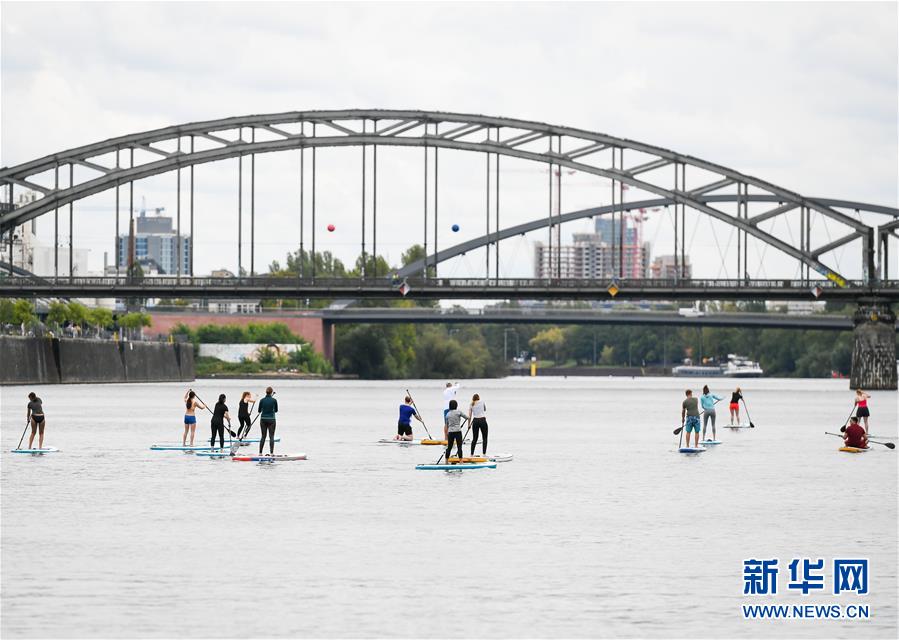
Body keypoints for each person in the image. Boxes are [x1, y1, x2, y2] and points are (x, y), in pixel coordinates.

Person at [257, 386, 278, 455]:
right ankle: (271, 453)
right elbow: (276, 410)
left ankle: (260, 453)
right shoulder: (274, 400)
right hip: (271, 420)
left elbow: (259, 410)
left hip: (263, 419)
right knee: (271, 436)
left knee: (263, 436)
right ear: (271, 392)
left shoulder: (262, 400)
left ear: (266, 392)